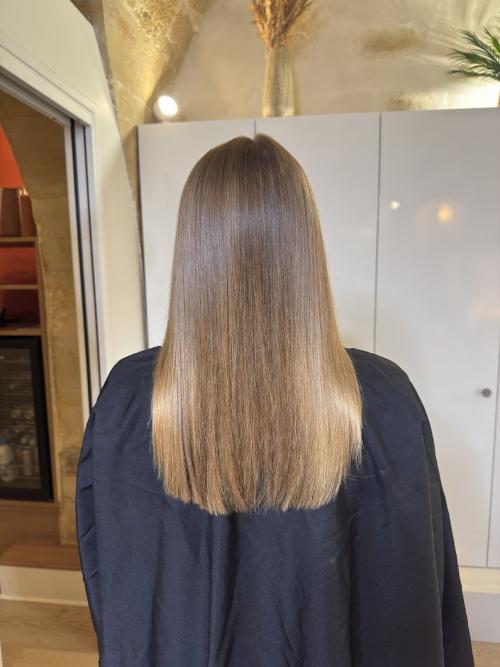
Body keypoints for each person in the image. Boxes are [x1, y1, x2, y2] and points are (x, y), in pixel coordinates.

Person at [75, 134, 474, 666]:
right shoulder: (385, 398)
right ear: (306, 245)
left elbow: (113, 579)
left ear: (192, 247)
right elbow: (417, 591)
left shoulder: (128, 399)